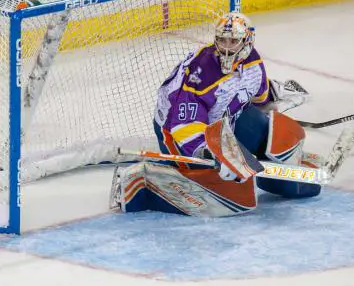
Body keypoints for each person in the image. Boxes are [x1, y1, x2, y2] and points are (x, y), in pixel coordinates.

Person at [111, 11, 320, 217]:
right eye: (222, 40)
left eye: (233, 41)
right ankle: (145, 182)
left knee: (280, 149)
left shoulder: (253, 63)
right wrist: (214, 154)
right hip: (175, 129)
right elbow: (184, 127)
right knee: (233, 195)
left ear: (247, 41)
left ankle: (277, 173)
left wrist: (276, 103)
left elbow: (260, 98)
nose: (226, 48)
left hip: (223, 122)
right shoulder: (200, 75)